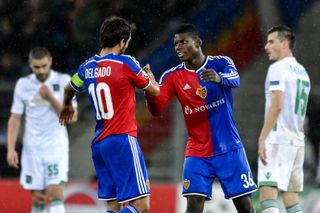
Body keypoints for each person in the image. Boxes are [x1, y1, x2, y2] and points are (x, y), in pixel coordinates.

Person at [145, 24, 257, 213]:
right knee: (194, 204)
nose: (178, 47)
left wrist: (219, 78)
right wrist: (149, 90)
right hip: (197, 152)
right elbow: (156, 110)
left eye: (183, 42)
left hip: (229, 149)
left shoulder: (220, 62)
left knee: (244, 206)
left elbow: (235, 78)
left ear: (197, 42)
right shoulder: (172, 76)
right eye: (175, 44)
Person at [59, 16, 160, 213]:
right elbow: (154, 91)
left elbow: (68, 88)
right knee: (141, 205)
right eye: (127, 42)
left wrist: (67, 105)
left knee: (113, 206)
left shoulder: (87, 68)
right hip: (122, 140)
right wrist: (150, 78)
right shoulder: (125, 63)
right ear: (122, 42)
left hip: (99, 145)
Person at [6, 46, 78, 213]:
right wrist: (10, 149)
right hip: (32, 150)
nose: (41, 70)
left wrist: (50, 98)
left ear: (50, 61)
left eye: (44, 66)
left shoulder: (63, 81)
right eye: (36, 67)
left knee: (55, 194)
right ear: (30, 65)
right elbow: (15, 118)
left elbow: (72, 118)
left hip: (56, 148)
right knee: (38, 198)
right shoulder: (23, 85)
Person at [258, 25, 311, 213]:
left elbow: (277, 104)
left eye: (271, 42)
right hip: (296, 141)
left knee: (267, 193)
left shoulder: (277, 69)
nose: (266, 46)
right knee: (291, 198)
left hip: (277, 138)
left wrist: (263, 138)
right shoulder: (303, 72)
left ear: (285, 44)